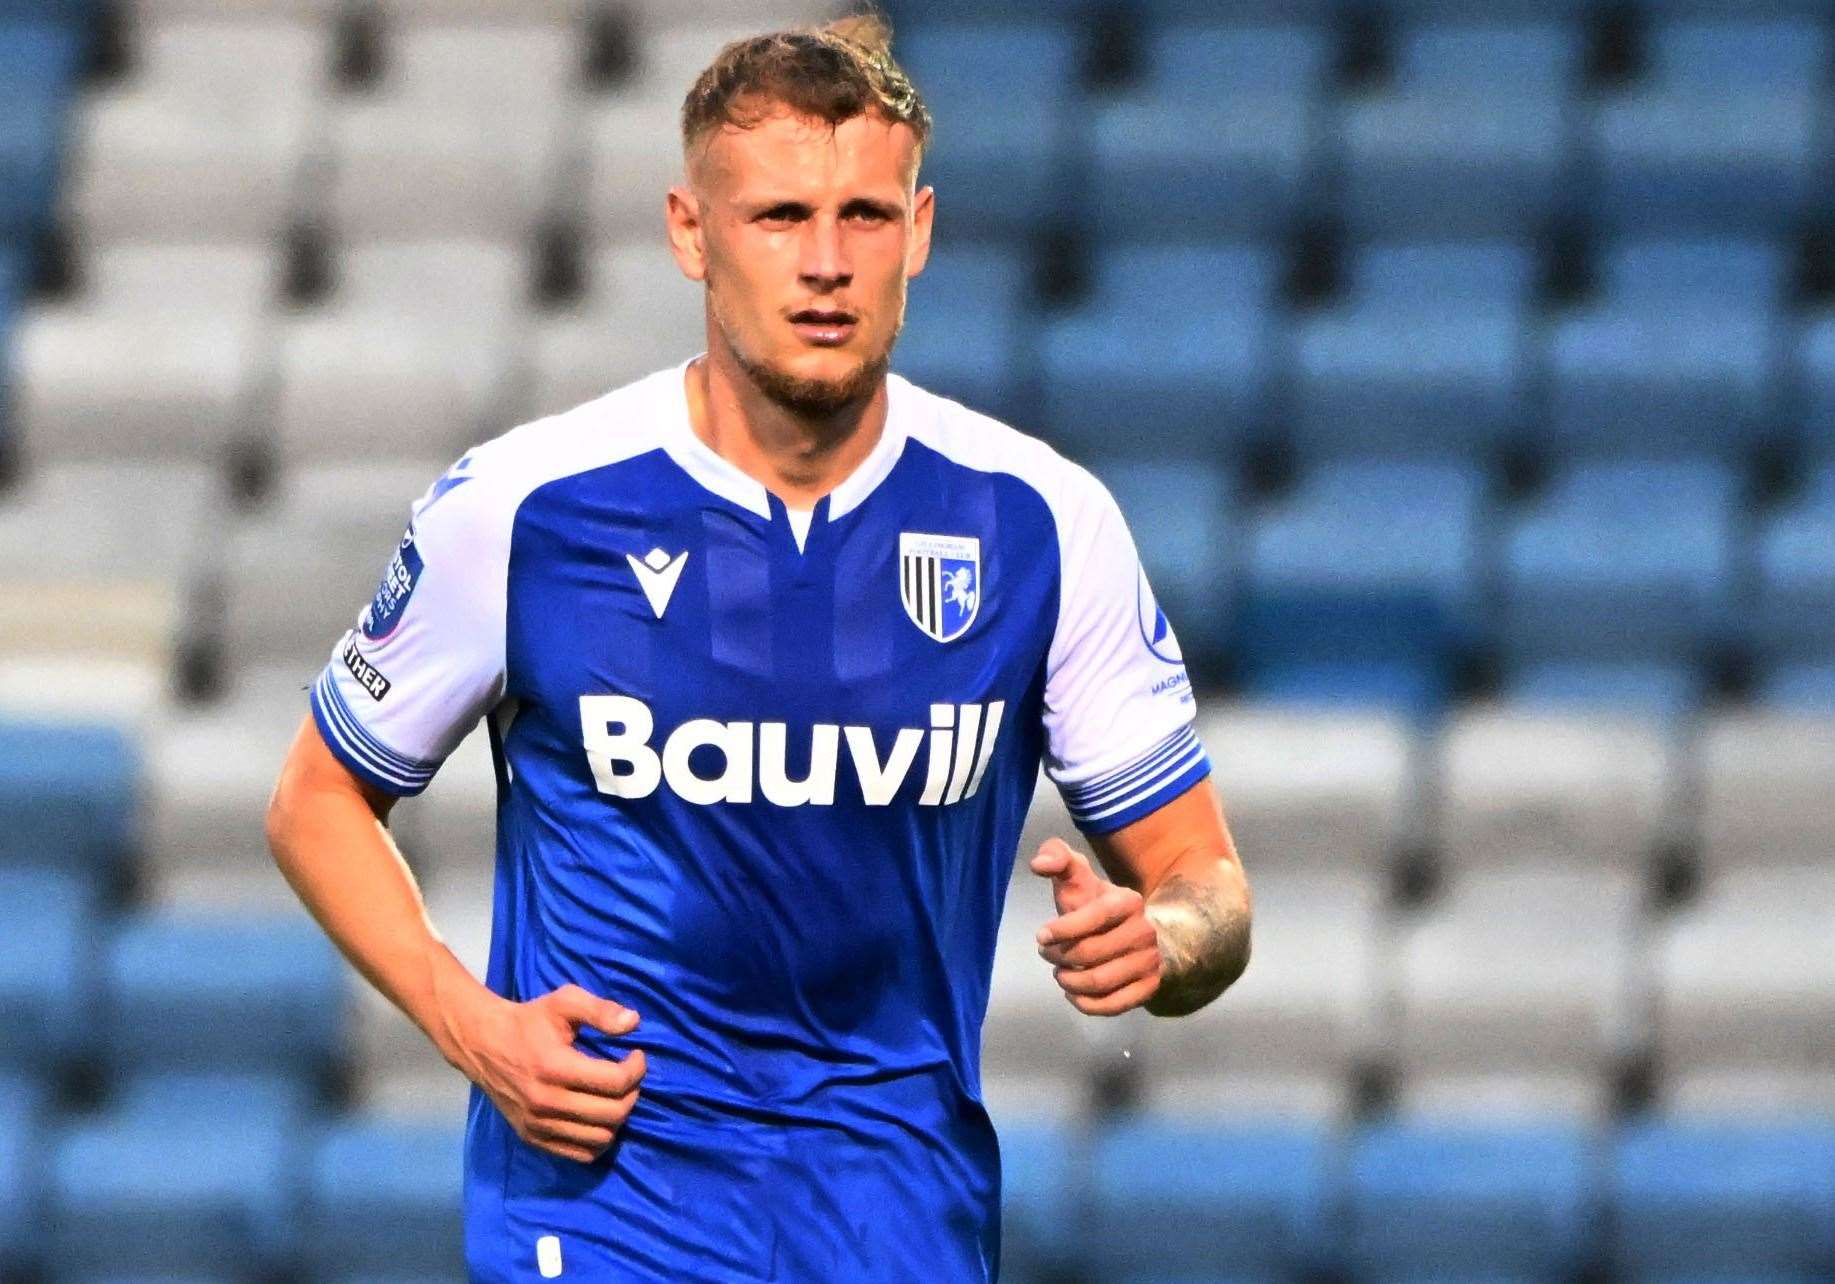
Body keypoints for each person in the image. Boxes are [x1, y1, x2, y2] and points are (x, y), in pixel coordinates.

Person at [265, 13, 1251, 1281]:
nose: (827, 264)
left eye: (866, 217)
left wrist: (1160, 941)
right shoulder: (530, 508)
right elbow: (315, 797)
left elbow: (1207, 887)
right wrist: (474, 1027)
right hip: (608, 1202)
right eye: (780, 217)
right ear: (691, 232)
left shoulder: (1041, 523)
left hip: (898, 1213)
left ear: (923, 231)